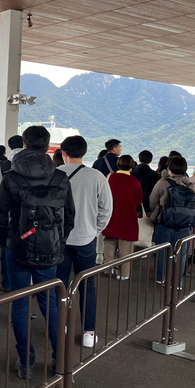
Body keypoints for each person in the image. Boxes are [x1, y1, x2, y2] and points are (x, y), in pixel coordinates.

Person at [0, 125, 75, 379]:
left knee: (19, 305)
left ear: (25, 145)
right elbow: (69, 216)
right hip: (49, 249)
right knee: (51, 306)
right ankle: (57, 359)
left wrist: (6, 239)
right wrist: (58, 241)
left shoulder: (11, 177)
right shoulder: (60, 178)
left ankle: (25, 361)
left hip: (17, 248)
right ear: (49, 146)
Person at [56, 136, 112, 349]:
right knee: (88, 286)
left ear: (63, 152)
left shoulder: (54, 174)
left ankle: (60, 327)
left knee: (59, 285)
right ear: (85, 152)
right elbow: (106, 209)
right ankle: (89, 333)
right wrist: (94, 230)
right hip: (86, 239)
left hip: (58, 240)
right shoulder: (97, 176)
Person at [149, 156, 195, 284]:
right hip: (184, 225)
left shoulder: (162, 183)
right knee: (181, 252)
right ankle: (177, 282)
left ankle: (161, 278)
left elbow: (152, 202)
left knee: (162, 251)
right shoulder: (191, 186)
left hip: (164, 222)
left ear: (170, 170)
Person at [102, 155, 143, 280]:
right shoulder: (135, 182)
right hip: (128, 217)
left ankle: (108, 269)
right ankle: (123, 274)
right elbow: (138, 200)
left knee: (109, 242)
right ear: (131, 167)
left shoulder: (109, 178)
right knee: (126, 246)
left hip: (111, 215)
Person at [0, 135, 24, 292]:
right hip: (31, 217)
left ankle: (7, 282)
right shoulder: (38, 164)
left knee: (7, 248)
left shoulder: (4, 165)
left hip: (10, 216)